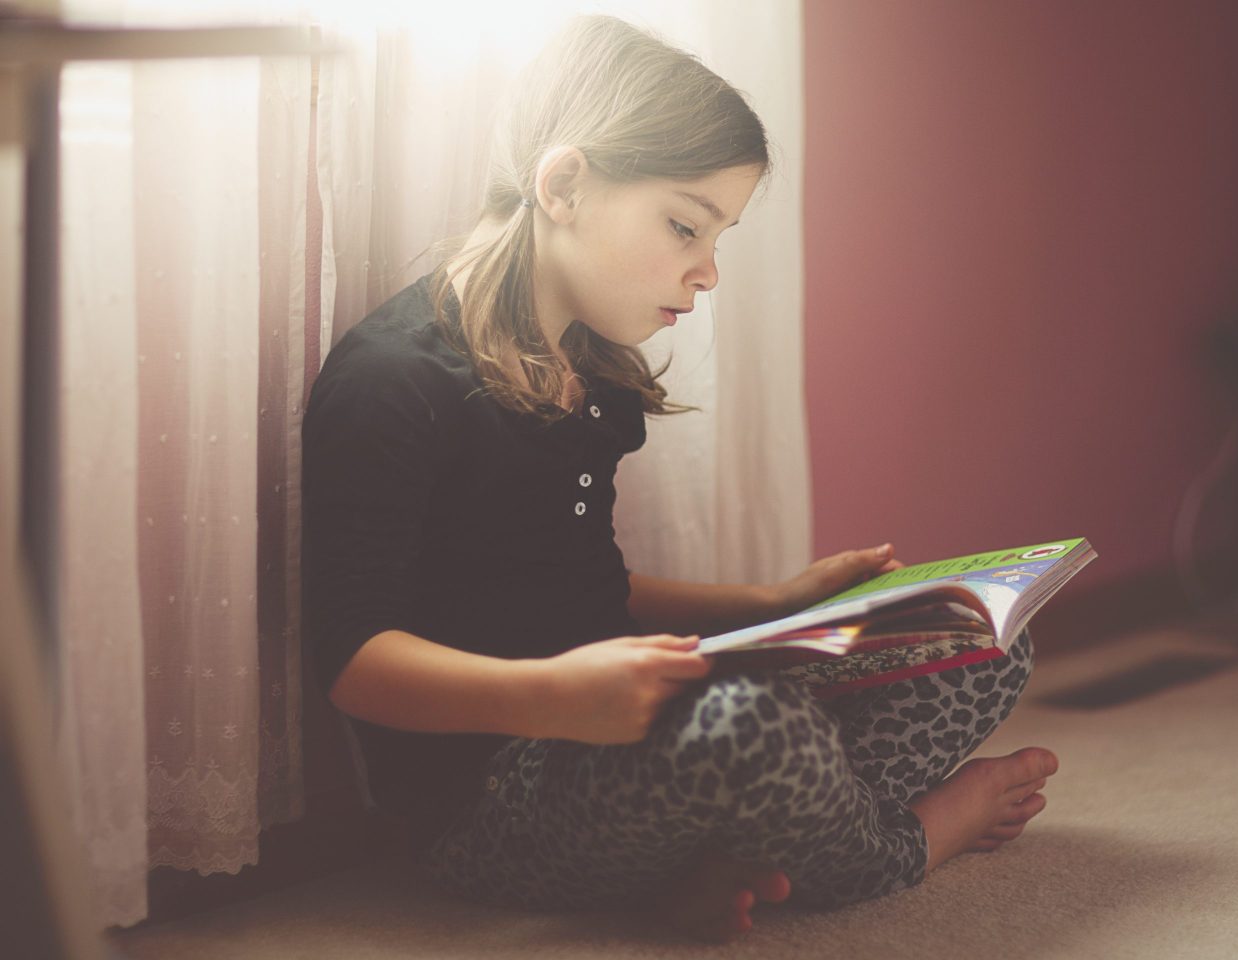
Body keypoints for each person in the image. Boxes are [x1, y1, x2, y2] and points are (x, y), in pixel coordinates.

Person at [300, 14, 1058, 942]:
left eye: (718, 237)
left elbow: (587, 590)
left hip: (624, 750)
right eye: (684, 226)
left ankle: (725, 857)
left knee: (978, 637)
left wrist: (768, 604)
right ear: (565, 184)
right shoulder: (392, 379)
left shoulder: (591, 368)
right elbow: (351, 661)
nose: (705, 272)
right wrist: (555, 697)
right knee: (753, 729)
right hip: (492, 803)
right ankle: (911, 840)